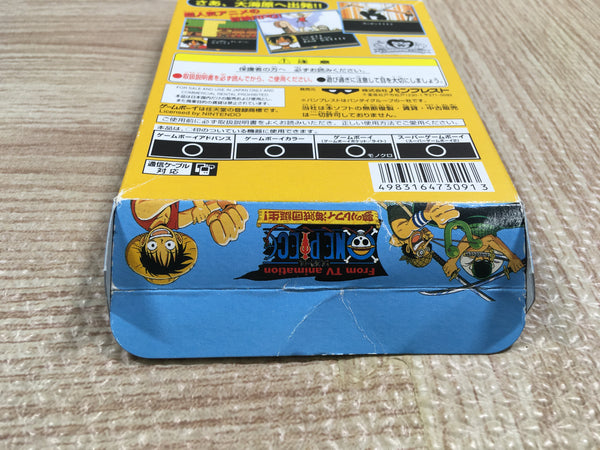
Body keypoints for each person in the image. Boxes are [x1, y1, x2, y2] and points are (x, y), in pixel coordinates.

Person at [125, 200, 248, 284]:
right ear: (178, 240)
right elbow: (205, 209)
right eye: (169, 246)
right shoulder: (175, 222)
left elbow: (177, 188)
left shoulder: (143, 213)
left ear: (143, 242)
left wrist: (200, 206)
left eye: (153, 246)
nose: (161, 241)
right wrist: (224, 209)